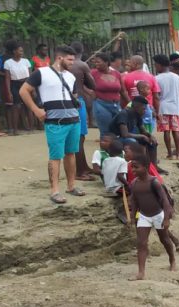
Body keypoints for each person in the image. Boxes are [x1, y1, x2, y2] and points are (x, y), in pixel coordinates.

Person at [19, 45, 85, 204]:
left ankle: (71, 186)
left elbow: (74, 96)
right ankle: (54, 190)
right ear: (59, 58)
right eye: (69, 59)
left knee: (71, 153)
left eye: (73, 60)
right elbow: (23, 91)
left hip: (73, 120)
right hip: (55, 122)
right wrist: (36, 110)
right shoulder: (41, 73)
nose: (72, 63)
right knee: (56, 156)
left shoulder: (71, 76)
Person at [128, 154, 177, 280]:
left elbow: (165, 201)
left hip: (157, 215)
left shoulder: (154, 182)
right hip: (144, 215)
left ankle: (172, 260)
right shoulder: (134, 183)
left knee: (164, 239)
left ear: (145, 167)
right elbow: (134, 201)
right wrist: (133, 216)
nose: (133, 170)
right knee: (141, 243)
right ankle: (141, 273)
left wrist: (166, 218)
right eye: (132, 167)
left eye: (136, 167)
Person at [68, 42, 97, 180]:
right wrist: (87, 73)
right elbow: (92, 85)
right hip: (78, 101)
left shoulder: (62, 65)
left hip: (67, 103)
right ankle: (80, 172)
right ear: (82, 50)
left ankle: (83, 166)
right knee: (79, 137)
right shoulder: (81, 65)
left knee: (80, 136)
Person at [109, 96, 160, 169]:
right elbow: (125, 134)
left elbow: (143, 130)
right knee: (133, 142)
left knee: (152, 142)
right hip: (116, 138)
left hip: (124, 137)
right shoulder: (124, 114)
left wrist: (150, 136)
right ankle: (140, 166)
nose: (145, 111)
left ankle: (153, 166)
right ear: (136, 107)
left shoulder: (138, 115)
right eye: (143, 109)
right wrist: (142, 136)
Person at [153, 54, 179, 160]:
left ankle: (170, 154)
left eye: (156, 65)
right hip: (175, 107)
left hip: (163, 107)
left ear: (160, 65)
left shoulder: (156, 78)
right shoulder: (176, 77)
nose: (155, 67)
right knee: (176, 131)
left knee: (166, 131)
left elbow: (156, 94)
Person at [92, 53, 125, 138]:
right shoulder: (93, 73)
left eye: (98, 62)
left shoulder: (117, 74)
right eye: (95, 62)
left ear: (106, 62)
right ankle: (104, 151)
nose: (96, 64)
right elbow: (81, 83)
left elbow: (123, 91)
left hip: (116, 105)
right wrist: (90, 92)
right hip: (101, 104)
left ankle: (116, 150)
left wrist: (130, 103)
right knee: (105, 132)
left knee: (119, 130)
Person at [3, 44, 32, 134]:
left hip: (26, 83)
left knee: (29, 105)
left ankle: (31, 128)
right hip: (15, 84)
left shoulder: (26, 61)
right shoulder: (8, 63)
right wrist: (9, 91)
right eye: (20, 51)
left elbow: (31, 76)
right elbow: (7, 78)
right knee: (16, 106)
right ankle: (15, 130)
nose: (21, 53)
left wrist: (33, 88)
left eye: (22, 51)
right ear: (14, 51)